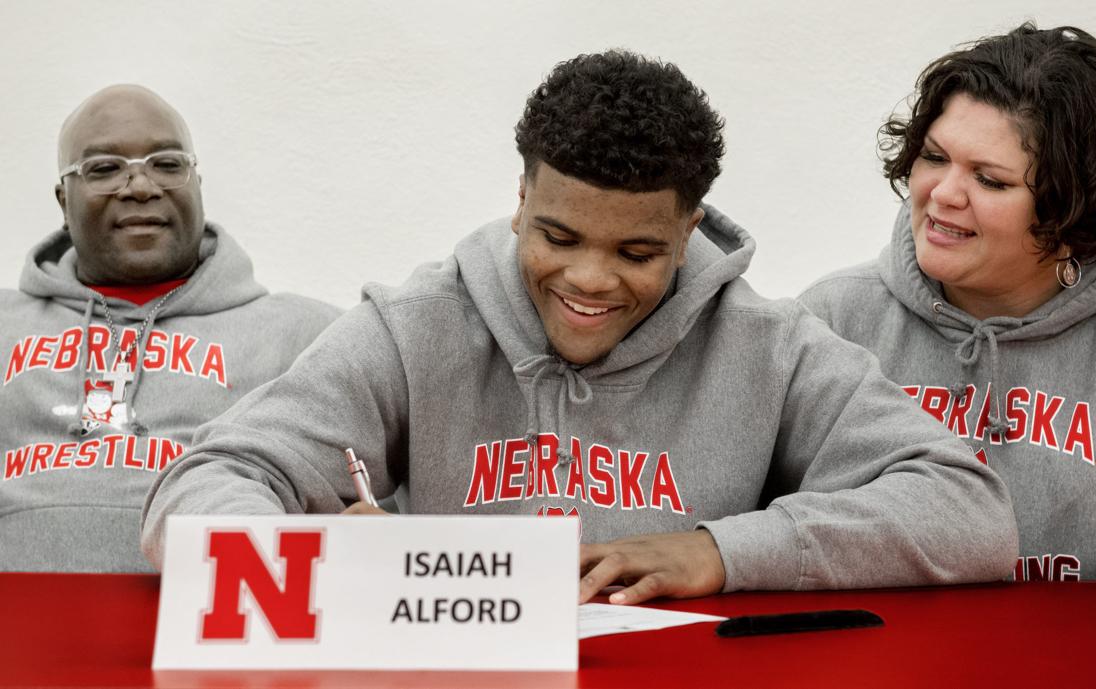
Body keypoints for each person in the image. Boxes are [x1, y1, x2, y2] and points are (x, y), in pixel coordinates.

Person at [142, 51, 1017, 603]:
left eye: (638, 250)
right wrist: (307, 549)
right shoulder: (417, 326)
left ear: (689, 227)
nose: (590, 279)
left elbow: (969, 512)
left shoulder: (768, 346)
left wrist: (720, 550)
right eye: (558, 237)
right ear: (520, 201)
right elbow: (209, 478)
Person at [801, 24, 1096, 581]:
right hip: (884, 665)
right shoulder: (832, 321)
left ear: (1071, 213)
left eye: (989, 180)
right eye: (935, 157)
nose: (943, 194)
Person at [0, 85, 341, 573]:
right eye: (104, 168)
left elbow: (373, 504)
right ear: (63, 199)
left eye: (166, 163)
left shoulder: (305, 334)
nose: (140, 186)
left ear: (196, 181)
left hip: (218, 626)